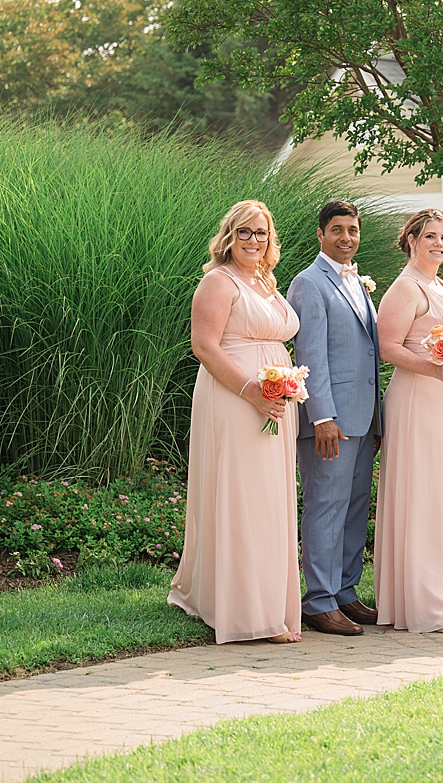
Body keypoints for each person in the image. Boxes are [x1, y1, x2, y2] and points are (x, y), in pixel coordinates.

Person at [169, 200, 302, 644]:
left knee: (270, 497)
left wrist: (280, 388)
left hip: (275, 399)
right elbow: (205, 347)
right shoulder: (217, 281)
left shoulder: (266, 281)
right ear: (229, 236)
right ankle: (248, 612)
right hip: (234, 396)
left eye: (261, 232)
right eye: (244, 232)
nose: (253, 240)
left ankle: (267, 600)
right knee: (245, 497)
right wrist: (252, 393)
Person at [373, 210, 443, 633]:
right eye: (431, 236)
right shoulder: (405, 288)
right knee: (426, 493)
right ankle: (424, 601)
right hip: (421, 396)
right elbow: (389, 347)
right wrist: (433, 368)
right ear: (412, 240)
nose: (440, 243)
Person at [286, 200, 382, 637]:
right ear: (321, 234)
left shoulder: (358, 283)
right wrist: (321, 415)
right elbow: (311, 354)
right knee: (326, 507)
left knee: (354, 507)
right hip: (331, 421)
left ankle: (345, 592)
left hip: (362, 419)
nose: (347, 237)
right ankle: (318, 601)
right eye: (338, 230)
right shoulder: (309, 282)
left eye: (353, 230)